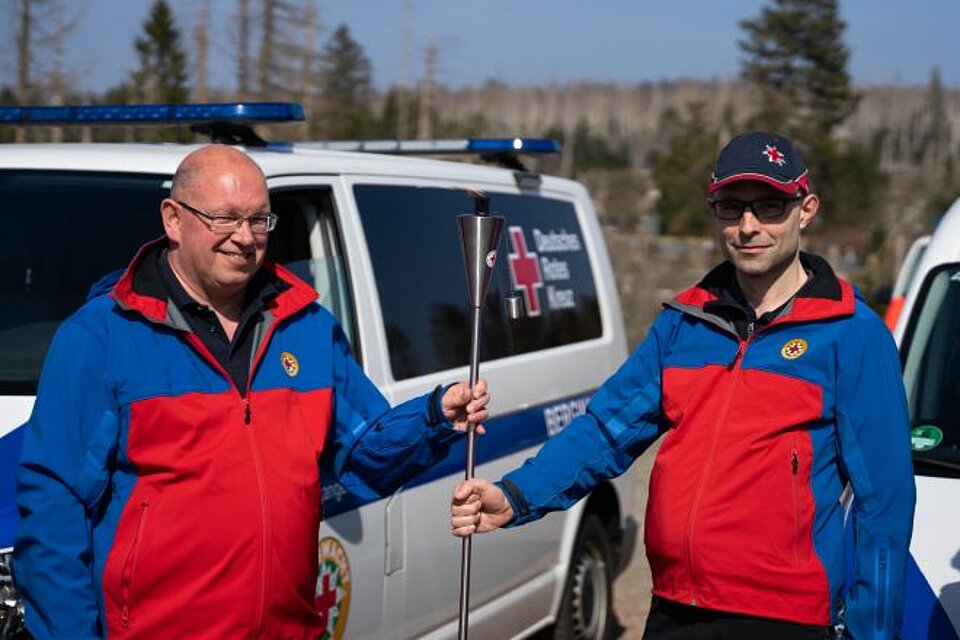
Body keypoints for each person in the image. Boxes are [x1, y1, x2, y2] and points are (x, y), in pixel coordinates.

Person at [452, 131, 915, 640]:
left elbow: (884, 504)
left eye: (769, 207)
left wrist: (873, 633)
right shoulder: (684, 321)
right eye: (731, 209)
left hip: (784, 620)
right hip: (676, 608)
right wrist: (516, 496)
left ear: (806, 209)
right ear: (713, 211)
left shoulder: (852, 333)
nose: (748, 226)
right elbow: (606, 431)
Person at [14, 145, 490, 639]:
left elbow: (365, 451)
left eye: (259, 220)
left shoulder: (306, 327)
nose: (244, 238)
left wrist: (434, 418)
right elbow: (54, 510)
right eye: (225, 218)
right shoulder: (103, 335)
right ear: (174, 220)